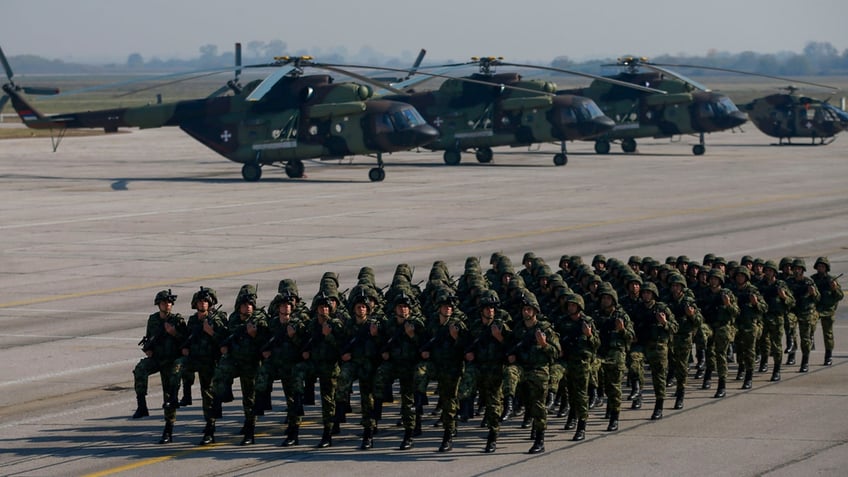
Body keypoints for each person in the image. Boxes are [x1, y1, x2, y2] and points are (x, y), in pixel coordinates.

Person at [211, 285, 270, 446]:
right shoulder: (234, 319)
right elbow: (230, 335)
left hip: (251, 363)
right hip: (236, 361)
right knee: (219, 374)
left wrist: (254, 334)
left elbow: (266, 342)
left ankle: (250, 430)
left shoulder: (259, 319)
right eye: (245, 304)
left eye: (250, 304)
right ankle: (220, 400)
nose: (248, 307)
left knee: (249, 398)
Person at [172, 287, 228, 445]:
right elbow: (187, 337)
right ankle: (185, 394)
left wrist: (211, 332)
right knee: (178, 366)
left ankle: (210, 428)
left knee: (208, 395)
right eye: (200, 302)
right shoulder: (193, 320)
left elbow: (225, 343)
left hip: (211, 363)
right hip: (196, 360)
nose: (202, 304)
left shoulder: (218, 319)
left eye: (205, 301)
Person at [132, 290, 186, 444]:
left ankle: (168, 430)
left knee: (169, 396)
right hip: (157, 358)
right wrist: (148, 350)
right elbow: (149, 338)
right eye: (164, 303)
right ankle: (141, 405)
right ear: (158, 305)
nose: (167, 305)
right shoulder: (153, 319)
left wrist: (174, 333)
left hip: (171, 360)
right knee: (140, 369)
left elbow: (186, 341)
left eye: (169, 303)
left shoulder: (177, 320)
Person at [253, 292, 307, 447]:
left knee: (293, 401)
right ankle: (262, 402)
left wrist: (294, 336)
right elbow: (267, 341)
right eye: (284, 305)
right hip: (278, 365)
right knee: (262, 375)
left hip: (292, 367)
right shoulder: (274, 323)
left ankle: (293, 432)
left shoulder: (298, 324)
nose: (287, 307)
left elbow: (304, 347)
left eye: (289, 305)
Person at [509, 291, 560, 453]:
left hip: (539, 370)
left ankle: (540, 439)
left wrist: (544, 344)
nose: (526, 312)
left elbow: (557, 352)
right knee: (510, 374)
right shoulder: (518, 329)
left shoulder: (545, 329)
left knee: (538, 405)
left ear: (535, 311)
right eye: (524, 309)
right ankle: (511, 402)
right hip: (523, 369)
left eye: (529, 309)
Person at [373, 292, 425, 450]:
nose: (403, 309)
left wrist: (412, 335)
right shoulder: (390, 324)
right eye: (400, 306)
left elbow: (425, 346)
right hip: (395, 364)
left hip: (410, 366)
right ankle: (374, 416)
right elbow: (381, 343)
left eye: (406, 306)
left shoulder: (417, 323)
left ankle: (409, 433)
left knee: (408, 401)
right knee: (377, 378)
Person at [416, 291, 467, 452]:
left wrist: (456, 337)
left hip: (452, 368)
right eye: (445, 307)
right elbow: (422, 342)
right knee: (419, 372)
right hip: (436, 365)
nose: (448, 309)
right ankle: (419, 397)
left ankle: (448, 434)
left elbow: (467, 348)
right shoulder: (432, 324)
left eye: (450, 307)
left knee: (449, 400)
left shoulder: (458, 324)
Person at [464, 290, 512, 452]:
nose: (490, 310)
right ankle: (465, 408)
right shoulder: (475, 326)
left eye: (492, 308)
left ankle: (493, 435)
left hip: (496, 369)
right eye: (487, 308)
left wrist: (500, 337)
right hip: (479, 368)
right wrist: (468, 354)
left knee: (493, 404)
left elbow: (512, 349)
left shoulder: (501, 326)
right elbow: (465, 345)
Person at [335, 291, 382, 450]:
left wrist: (376, 336)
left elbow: (382, 345)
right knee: (342, 378)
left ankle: (368, 433)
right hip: (353, 362)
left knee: (367, 399)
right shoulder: (349, 325)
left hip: (368, 365)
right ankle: (341, 407)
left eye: (364, 307)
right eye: (358, 306)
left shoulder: (374, 324)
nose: (361, 309)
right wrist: (344, 355)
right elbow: (341, 342)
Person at [301, 292, 344, 448]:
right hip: (314, 366)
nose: (325, 310)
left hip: (330, 368)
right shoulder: (312, 325)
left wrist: (329, 336)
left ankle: (328, 431)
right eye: (321, 307)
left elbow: (342, 348)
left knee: (328, 401)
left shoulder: (336, 324)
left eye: (327, 307)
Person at [593, 283, 633, 431]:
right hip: (600, 353)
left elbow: (631, 337)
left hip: (616, 354)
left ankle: (614, 417)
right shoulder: (596, 316)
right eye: (603, 298)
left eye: (608, 298)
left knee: (614, 387)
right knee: (597, 378)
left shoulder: (621, 317)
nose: (605, 300)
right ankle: (598, 397)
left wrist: (622, 330)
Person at [634, 282, 677, 419]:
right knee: (634, 366)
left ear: (653, 294)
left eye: (649, 293)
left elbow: (675, 327)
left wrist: (664, 322)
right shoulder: (638, 308)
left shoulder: (662, 308)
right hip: (641, 345)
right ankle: (637, 393)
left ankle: (659, 405)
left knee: (658, 377)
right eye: (644, 293)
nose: (646, 295)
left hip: (658, 346)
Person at [698, 270, 739, 398]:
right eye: (711, 279)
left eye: (716, 279)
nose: (713, 281)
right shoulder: (705, 294)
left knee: (720, 354)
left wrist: (728, 304)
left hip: (723, 326)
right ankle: (708, 374)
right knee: (709, 351)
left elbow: (736, 312)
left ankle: (722, 384)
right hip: (710, 326)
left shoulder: (726, 294)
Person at [666, 274, 702, 409]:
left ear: (682, 288)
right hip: (670, 338)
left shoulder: (688, 302)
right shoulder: (667, 301)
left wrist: (691, 314)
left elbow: (699, 321)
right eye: (673, 286)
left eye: (677, 286)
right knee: (671, 364)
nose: (675, 288)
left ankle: (680, 393)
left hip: (684, 338)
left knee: (681, 366)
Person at [758, 260, 795, 381]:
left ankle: (776, 370)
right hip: (763, 318)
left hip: (776, 319)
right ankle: (764, 362)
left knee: (776, 345)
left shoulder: (781, 285)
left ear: (774, 272)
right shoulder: (760, 285)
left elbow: (792, 302)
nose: (768, 273)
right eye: (766, 271)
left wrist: (783, 296)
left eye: (770, 271)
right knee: (763, 343)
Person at [732, 267, 766, 389]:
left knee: (750, 351)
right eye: (738, 276)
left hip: (750, 325)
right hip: (737, 324)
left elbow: (764, 308)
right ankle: (741, 368)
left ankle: (749, 376)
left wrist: (755, 303)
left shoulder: (753, 291)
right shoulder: (732, 290)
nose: (739, 278)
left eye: (742, 276)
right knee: (739, 349)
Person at [786, 259, 820, 372]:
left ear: (803, 270)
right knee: (790, 327)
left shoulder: (808, 282)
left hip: (805, 312)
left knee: (805, 339)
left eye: (799, 269)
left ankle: (805, 362)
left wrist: (813, 293)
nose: (796, 271)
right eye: (795, 268)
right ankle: (792, 347)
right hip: (793, 311)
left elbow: (817, 298)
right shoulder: (789, 281)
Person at [811, 257, 844, 366]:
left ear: (826, 268)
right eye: (819, 266)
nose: (821, 268)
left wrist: (834, 288)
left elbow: (840, 296)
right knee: (810, 324)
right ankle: (811, 340)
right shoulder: (813, 279)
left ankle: (828, 355)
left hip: (828, 309)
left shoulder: (832, 279)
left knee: (828, 334)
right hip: (816, 309)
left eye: (823, 266)